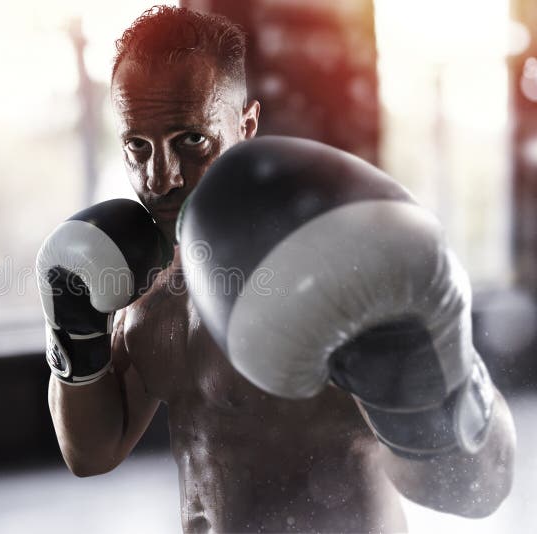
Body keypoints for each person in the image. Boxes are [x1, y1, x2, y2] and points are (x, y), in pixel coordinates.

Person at [37, 6, 516, 533]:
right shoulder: (144, 285)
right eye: (138, 146)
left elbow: (473, 487)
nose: (162, 177)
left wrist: (412, 358)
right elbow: (93, 452)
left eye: (190, 141)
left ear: (245, 124)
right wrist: (71, 328)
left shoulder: (315, 269)